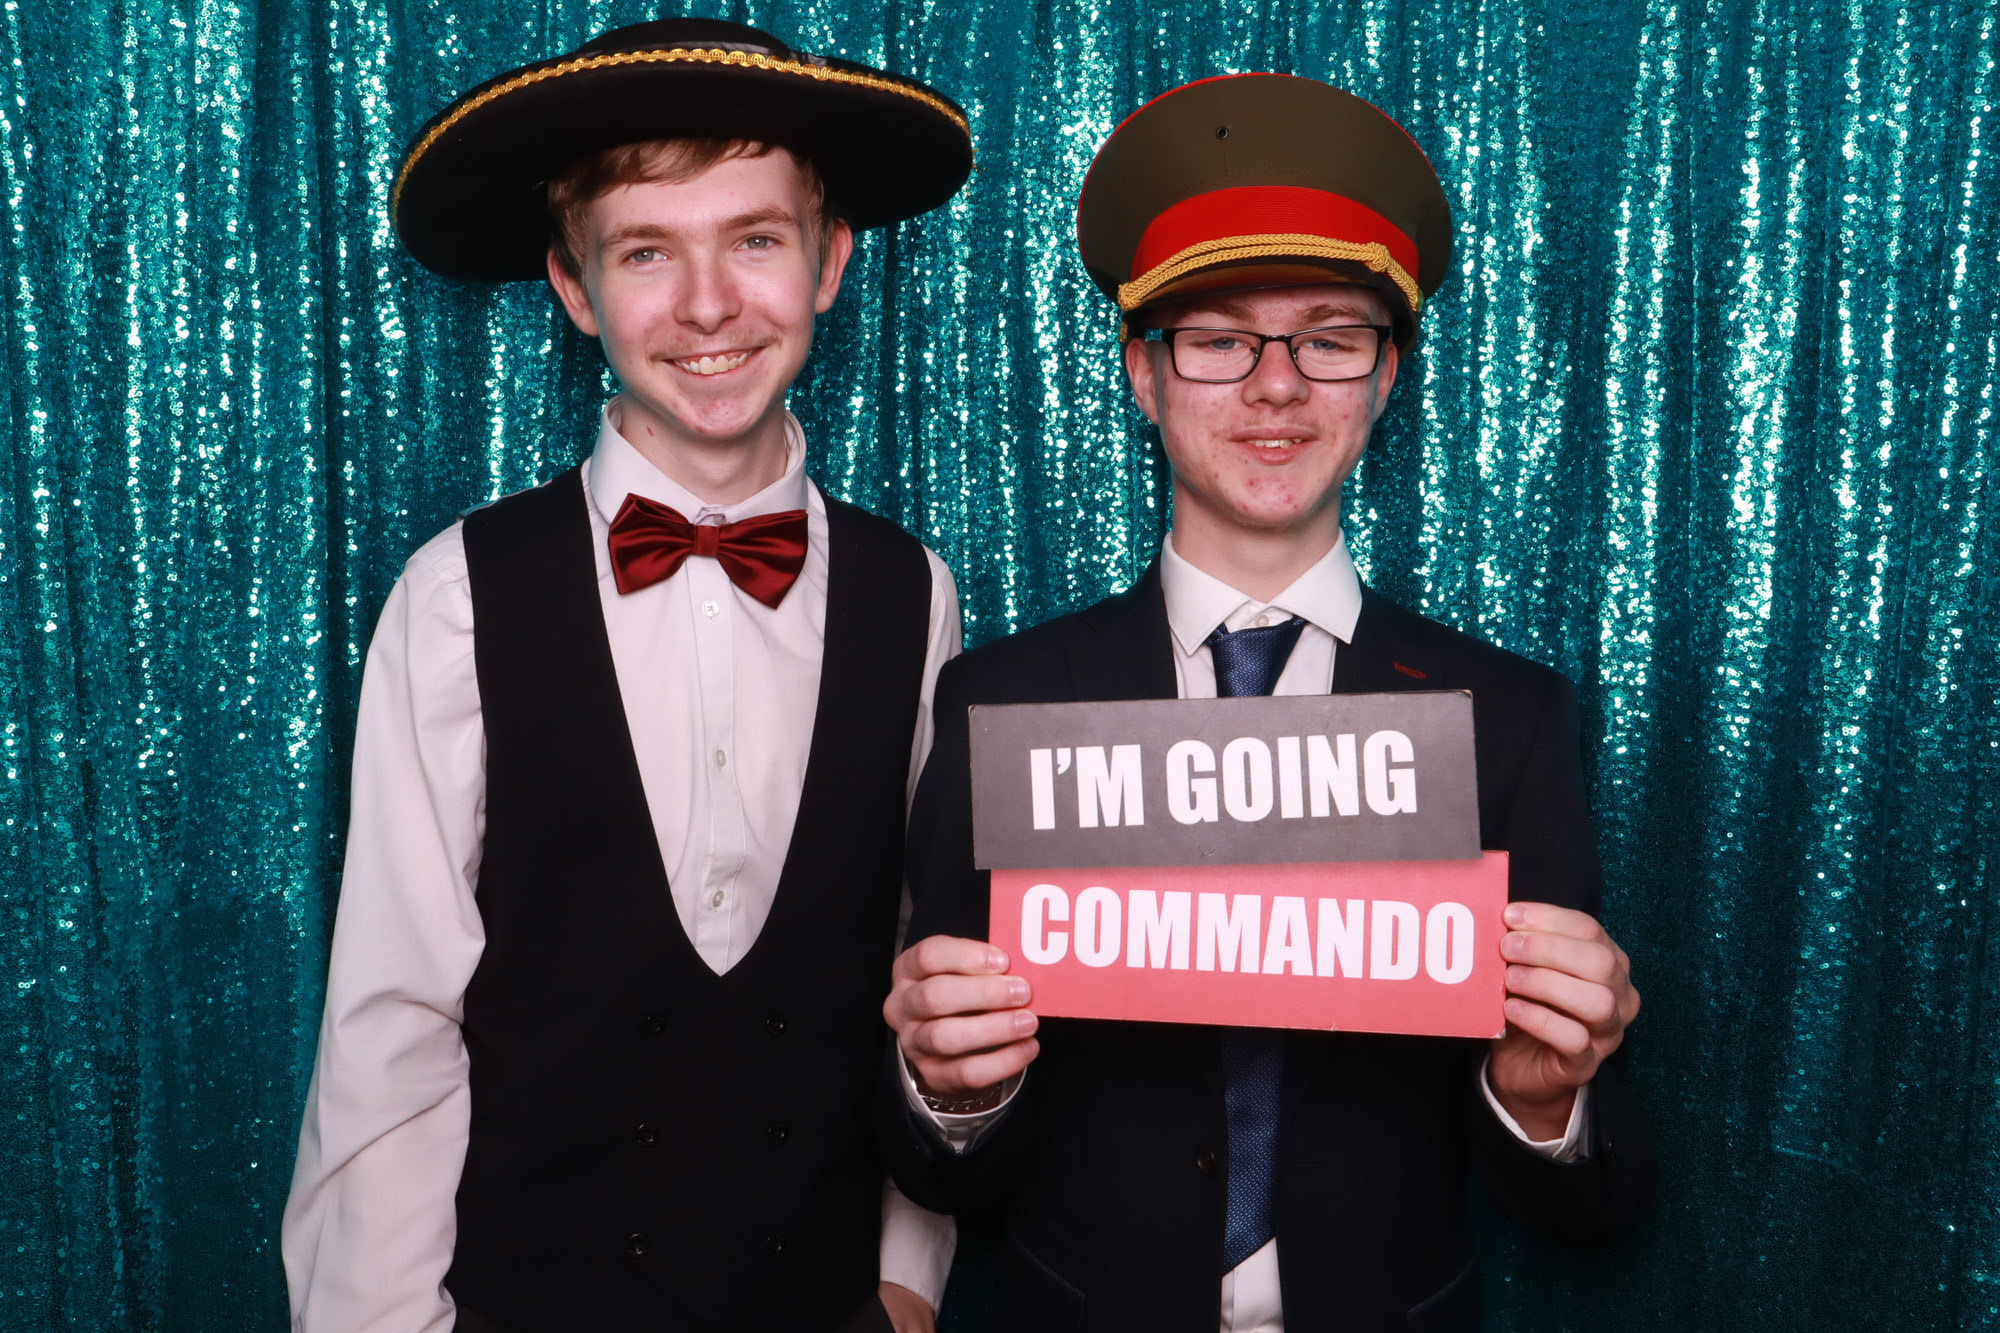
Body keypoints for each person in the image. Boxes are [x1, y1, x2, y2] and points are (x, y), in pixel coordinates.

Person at [876, 74, 1654, 1331]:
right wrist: (950, 1088)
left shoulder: (1504, 718)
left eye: (1329, 337)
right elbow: (938, 1170)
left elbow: (1593, 1205)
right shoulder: (998, 706)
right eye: (1218, 337)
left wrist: (1541, 1094)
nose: (1276, 385)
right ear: (1143, 372)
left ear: (1385, 377)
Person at [282, 19, 974, 1333]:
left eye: (754, 240)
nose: (707, 305)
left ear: (830, 262)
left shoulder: (912, 589)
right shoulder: (456, 593)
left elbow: (917, 965)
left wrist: (906, 1275)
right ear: (574, 286)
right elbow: (393, 1023)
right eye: (648, 252)